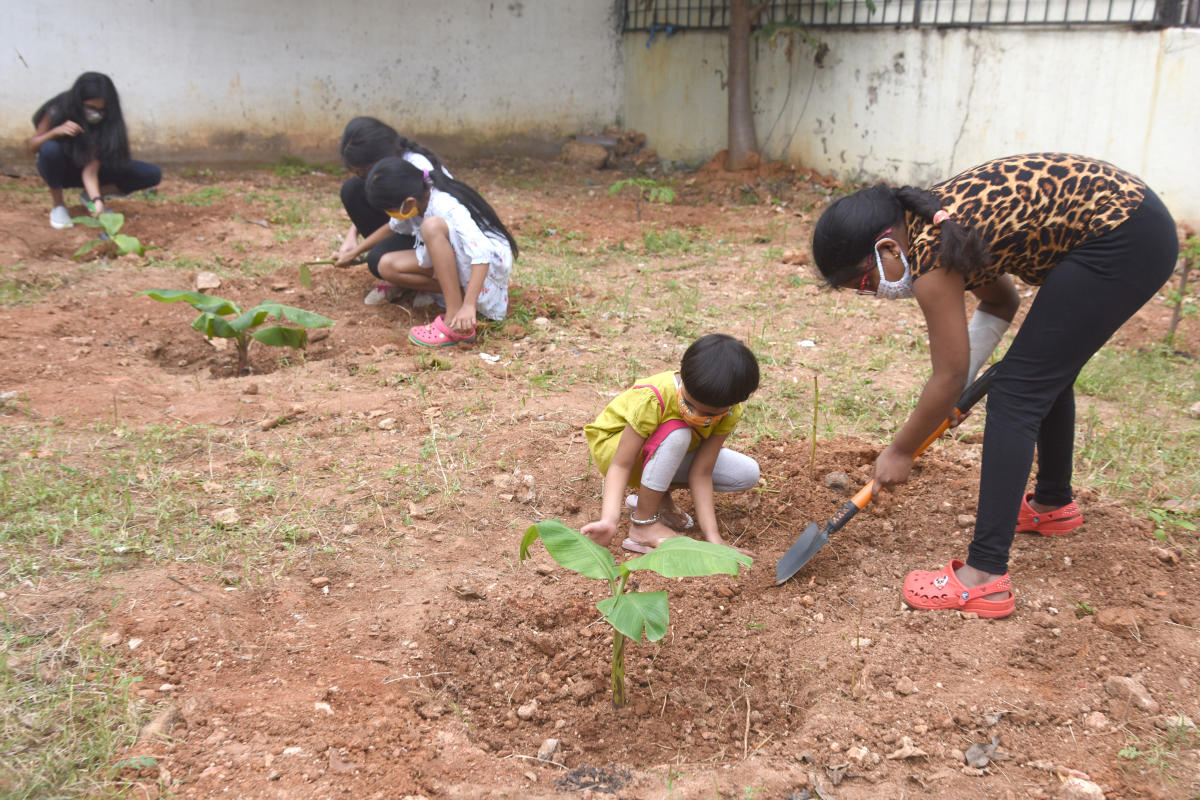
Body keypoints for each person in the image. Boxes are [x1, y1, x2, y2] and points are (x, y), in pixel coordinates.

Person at [811, 153, 1178, 618]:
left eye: (863, 283)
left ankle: (983, 577)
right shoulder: (938, 222)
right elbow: (1003, 300)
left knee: (1017, 392)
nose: (871, 293)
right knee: (1040, 367)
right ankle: (1052, 504)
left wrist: (902, 449)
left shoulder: (932, 255)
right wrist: (955, 390)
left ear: (886, 249)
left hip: (1122, 236)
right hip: (1133, 221)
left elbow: (945, 375)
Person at [582, 334, 761, 557]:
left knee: (746, 473)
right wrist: (609, 520)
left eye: (709, 414)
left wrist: (714, 537)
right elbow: (621, 464)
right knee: (679, 434)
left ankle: (655, 499)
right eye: (689, 404)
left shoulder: (730, 411)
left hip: (663, 452)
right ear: (683, 377)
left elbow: (702, 471)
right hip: (616, 449)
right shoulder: (654, 397)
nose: (696, 415)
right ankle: (643, 525)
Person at [359, 156, 517, 346]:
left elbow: (483, 252)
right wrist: (352, 252)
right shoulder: (419, 197)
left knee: (431, 227)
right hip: (465, 262)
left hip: (485, 270)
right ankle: (455, 294)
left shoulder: (445, 205)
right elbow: (393, 227)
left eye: (389, 209)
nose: (389, 214)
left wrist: (469, 305)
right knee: (387, 266)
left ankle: (454, 320)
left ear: (408, 202)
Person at [333, 117, 451, 305]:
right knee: (353, 190)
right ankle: (407, 275)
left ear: (379, 160)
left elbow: (398, 223)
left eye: (363, 170)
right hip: (412, 229)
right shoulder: (393, 167)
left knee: (377, 260)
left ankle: (435, 282)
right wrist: (351, 239)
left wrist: (355, 252)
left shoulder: (414, 170)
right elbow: (397, 221)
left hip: (436, 238)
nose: (360, 175)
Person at [28, 72, 161, 230]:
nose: (96, 113)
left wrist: (96, 200)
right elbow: (33, 145)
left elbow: (90, 170)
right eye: (90, 107)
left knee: (150, 173)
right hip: (62, 169)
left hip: (93, 172)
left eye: (101, 110)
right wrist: (55, 132)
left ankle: (89, 199)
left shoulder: (107, 122)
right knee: (50, 149)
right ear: (79, 102)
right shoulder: (58, 107)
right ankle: (59, 206)